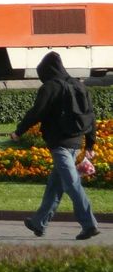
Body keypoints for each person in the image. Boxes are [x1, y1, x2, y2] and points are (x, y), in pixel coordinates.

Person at [10, 51, 100, 240]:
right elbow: (90, 116)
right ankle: (39, 222)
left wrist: (19, 131)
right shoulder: (78, 85)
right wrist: (90, 143)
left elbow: (37, 112)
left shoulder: (50, 87)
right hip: (76, 141)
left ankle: (89, 224)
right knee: (55, 185)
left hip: (59, 144)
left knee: (72, 184)